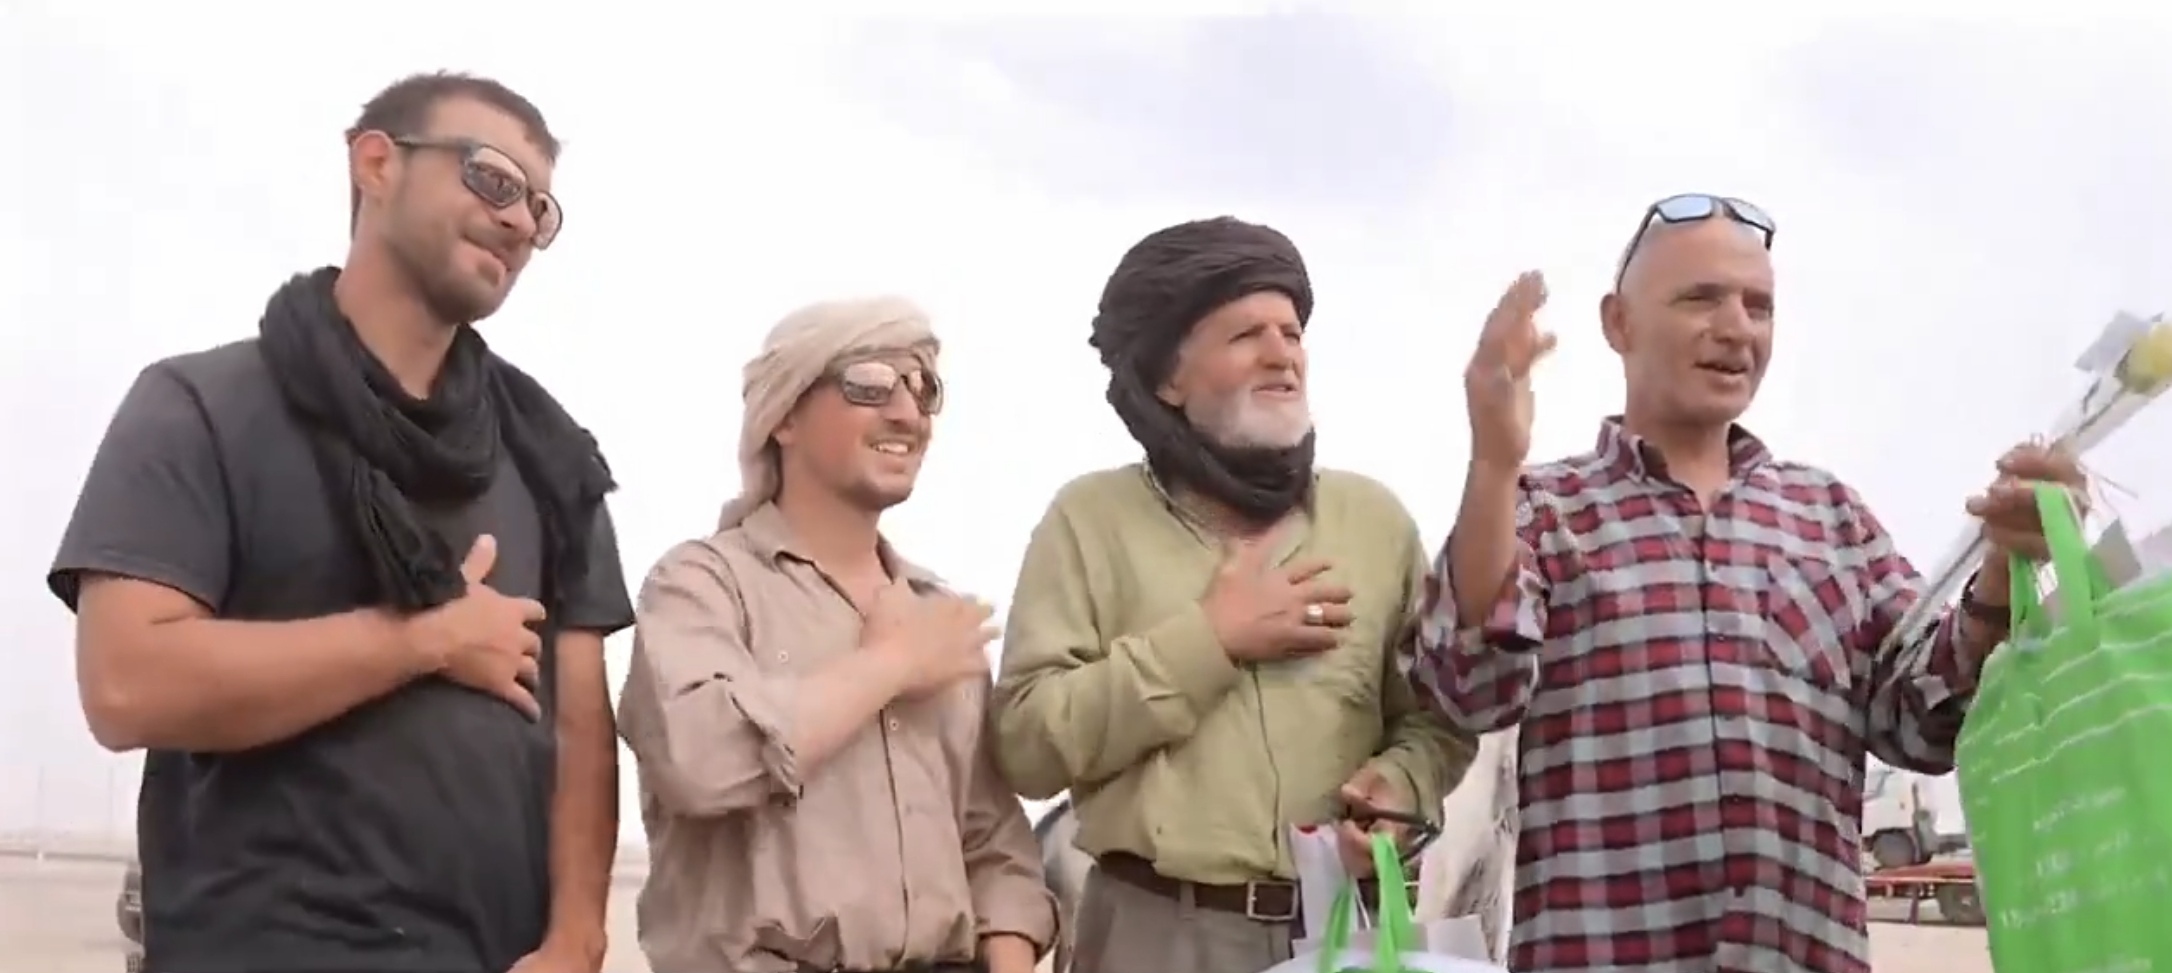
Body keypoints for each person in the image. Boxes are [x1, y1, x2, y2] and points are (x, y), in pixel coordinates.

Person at [49, 72, 631, 973]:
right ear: (376, 165)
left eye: (541, 208)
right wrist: (424, 640)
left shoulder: (552, 455)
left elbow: (583, 727)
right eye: (492, 178)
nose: (519, 220)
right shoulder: (200, 405)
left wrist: (575, 939)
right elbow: (127, 684)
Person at [1415, 194, 2085, 973]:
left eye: (1758, 306)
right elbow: (1469, 687)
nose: (1737, 328)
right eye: (1701, 298)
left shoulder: (1831, 516)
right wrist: (1493, 464)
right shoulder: (1543, 508)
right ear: (1618, 324)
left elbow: (1922, 722)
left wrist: (2000, 570)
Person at [991, 217, 1477, 973]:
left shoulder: (1373, 522)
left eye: (1292, 332)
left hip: (1343, 935)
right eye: (1247, 334)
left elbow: (1437, 721)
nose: (1282, 353)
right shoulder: (1089, 520)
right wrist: (1209, 641)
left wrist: (1400, 787)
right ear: (1168, 380)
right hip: (1155, 935)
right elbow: (1026, 747)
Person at [616, 297, 1058, 973]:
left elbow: (993, 839)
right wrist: (891, 664)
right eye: (870, 383)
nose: (908, 413)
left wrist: (1011, 957)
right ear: (784, 416)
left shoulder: (935, 613)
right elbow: (699, 762)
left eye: (924, 389)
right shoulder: (702, 585)